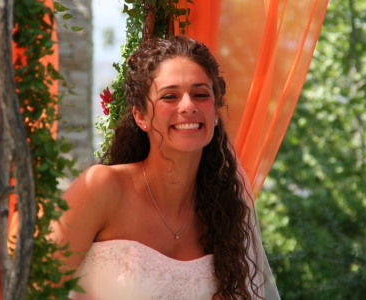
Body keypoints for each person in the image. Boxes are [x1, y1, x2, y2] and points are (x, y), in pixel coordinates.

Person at [51, 36, 280, 300]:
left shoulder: (225, 213)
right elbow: (34, 287)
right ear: (141, 116)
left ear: (215, 112)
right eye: (169, 96)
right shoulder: (102, 187)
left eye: (200, 95)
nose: (188, 106)